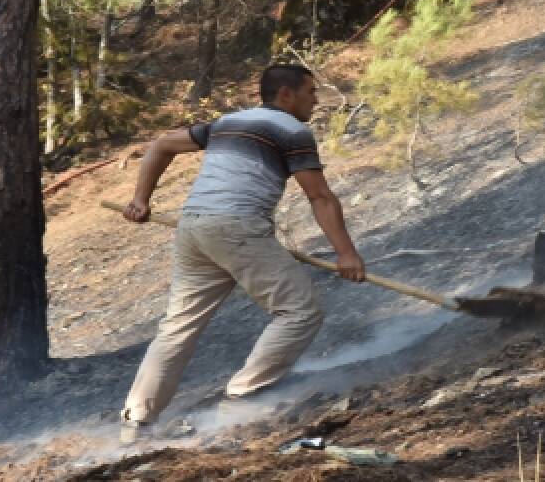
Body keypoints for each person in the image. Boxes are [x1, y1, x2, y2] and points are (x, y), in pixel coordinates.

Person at [117, 64, 366, 442]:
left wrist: (140, 200)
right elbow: (319, 196)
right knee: (300, 310)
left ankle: (136, 420)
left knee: (178, 327)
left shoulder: (228, 122)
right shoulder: (292, 130)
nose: (315, 100)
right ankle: (245, 394)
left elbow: (163, 144)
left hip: (194, 227)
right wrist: (346, 254)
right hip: (235, 226)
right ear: (287, 94)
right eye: (310, 92)